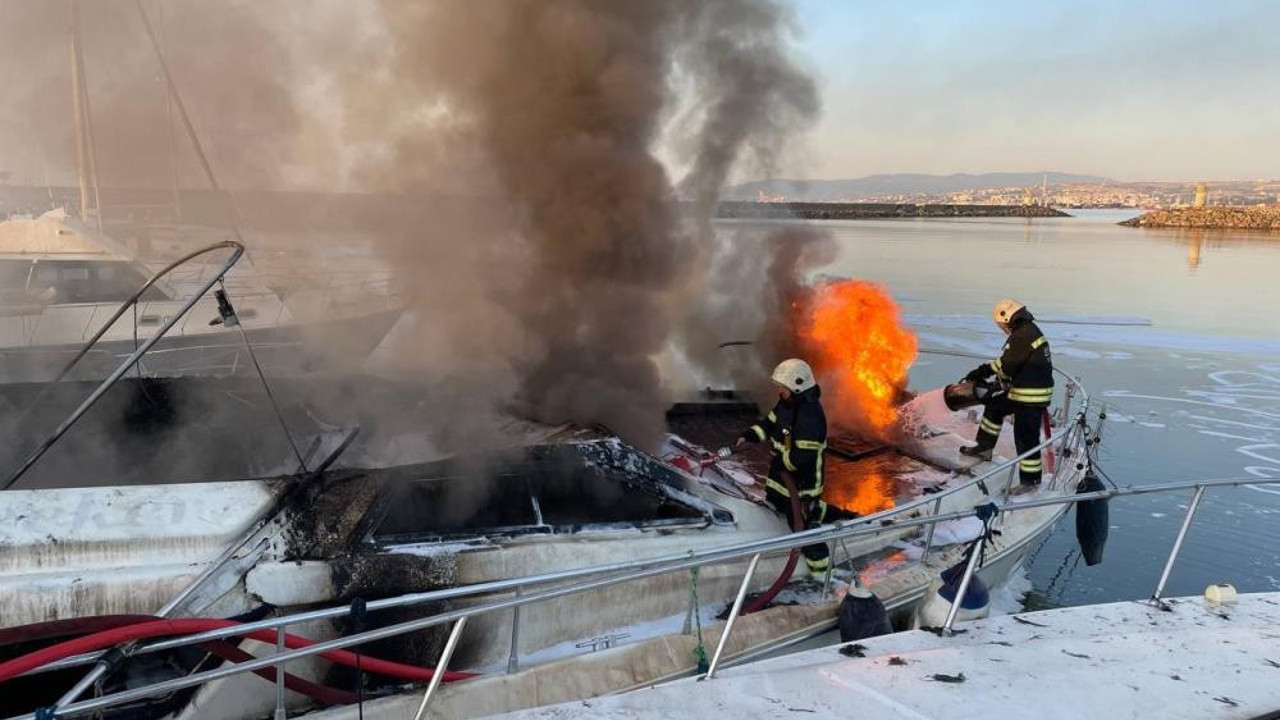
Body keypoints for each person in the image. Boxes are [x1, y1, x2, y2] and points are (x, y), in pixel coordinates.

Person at [736, 358, 843, 578]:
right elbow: (769, 423)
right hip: (780, 480)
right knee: (778, 508)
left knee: (803, 529)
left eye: (782, 388)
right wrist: (750, 436)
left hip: (801, 486)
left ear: (796, 386)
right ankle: (821, 512)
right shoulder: (787, 404)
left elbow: (801, 457)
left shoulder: (811, 416)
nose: (779, 391)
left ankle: (824, 576)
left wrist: (779, 460)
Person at [959, 299, 1054, 494]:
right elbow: (1006, 361)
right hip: (1024, 391)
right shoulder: (1027, 331)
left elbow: (1008, 368)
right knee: (995, 406)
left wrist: (997, 380)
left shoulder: (1021, 336)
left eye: (1001, 324)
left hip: (1030, 397)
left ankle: (1030, 482)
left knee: (1025, 438)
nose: (1001, 328)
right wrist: (983, 371)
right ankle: (984, 447)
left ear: (1008, 317)